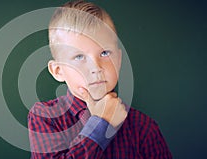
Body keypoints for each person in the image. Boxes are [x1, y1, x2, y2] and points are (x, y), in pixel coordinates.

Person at [28, 0, 172, 158]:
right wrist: (100, 125)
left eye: (104, 53)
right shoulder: (45, 116)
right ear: (58, 71)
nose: (96, 67)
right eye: (79, 57)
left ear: (118, 60)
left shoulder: (143, 126)